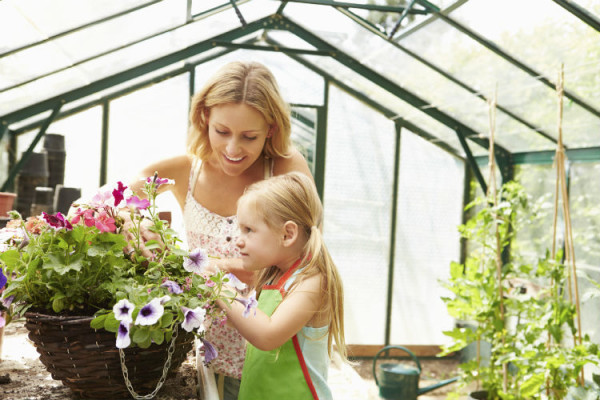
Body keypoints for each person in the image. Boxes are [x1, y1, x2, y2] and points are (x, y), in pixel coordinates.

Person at [125, 61, 312, 400]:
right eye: (222, 131)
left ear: (270, 129)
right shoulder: (186, 170)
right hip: (206, 352)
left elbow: (304, 267)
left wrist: (209, 268)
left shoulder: (285, 170)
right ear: (204, 118)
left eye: (249, 136)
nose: (232, 149)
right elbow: (112, 199)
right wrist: (136, 222)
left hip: (272, 355)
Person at [218, 172, 346, 400]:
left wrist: (217, 288)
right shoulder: (272, 275)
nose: (239, 240)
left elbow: (267, 335)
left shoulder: (312, 282)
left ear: (287, 234)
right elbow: (241, 320)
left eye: (249, 230)